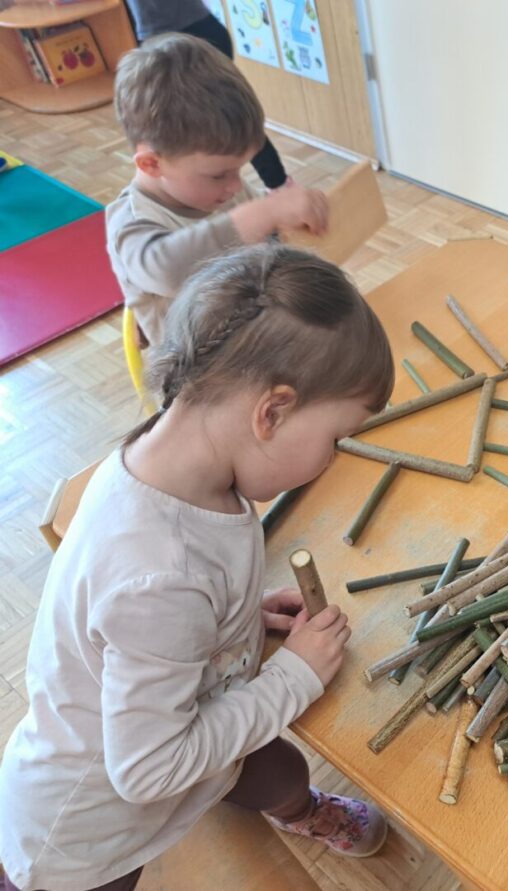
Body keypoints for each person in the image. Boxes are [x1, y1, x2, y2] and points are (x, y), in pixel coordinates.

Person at [0, 245, 396, 891]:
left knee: (283, 773)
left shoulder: (178, 460)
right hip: (89, 836)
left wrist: (239, 618)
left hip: (182, 713)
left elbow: (179, 603)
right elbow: (149, 770)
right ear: (272, 412)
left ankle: (297, 808)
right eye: (335, 438)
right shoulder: (159, 579)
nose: (333, 458)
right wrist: (293, 677)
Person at [106, 34, 328, 348]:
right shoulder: (132, 222)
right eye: (219, 174)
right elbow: (165, 270)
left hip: (256, 342)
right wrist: (264, 212)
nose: (235, 185)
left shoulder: (223, 191)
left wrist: (292, 228)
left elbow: (267, 247)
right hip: (201, 373)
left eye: (240, 169)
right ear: (152, 164)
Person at [122, 0, 288, 188]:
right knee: (208, 127)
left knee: (234, 120)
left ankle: (279, 186)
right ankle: (276, 186)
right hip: (174, 39)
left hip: (190, 38)